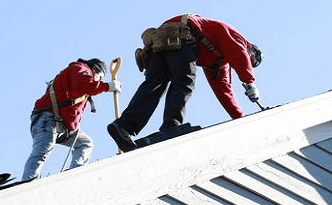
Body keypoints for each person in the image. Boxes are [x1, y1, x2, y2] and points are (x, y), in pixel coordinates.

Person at [108, 14, 262, 152]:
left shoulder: (218, 60)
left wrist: (240, 119)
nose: (249, 62)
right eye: (251, 59)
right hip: (181, 34)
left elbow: (224, 91)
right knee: (184, 80)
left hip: (161, 39)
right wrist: (249, 81)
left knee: (155, 84)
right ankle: (171, 127)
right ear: (249, 48)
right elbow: (239, 53)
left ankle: (123, 126)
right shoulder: (236, 39)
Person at [22, 58, 121, 181]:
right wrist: (107, 86)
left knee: (85, 143)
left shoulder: (79, 77)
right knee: (42, 150)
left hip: (63, 125)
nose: (99, 81)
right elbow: (84, 85)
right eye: (99, 77)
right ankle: (28, 181)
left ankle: (75, 174)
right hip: (48, 119)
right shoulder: (80, 69)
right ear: (94, 69)